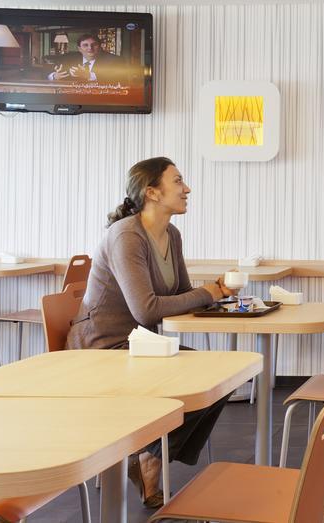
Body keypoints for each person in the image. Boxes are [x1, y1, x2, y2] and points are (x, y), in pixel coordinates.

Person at [66, 157, 235, 507]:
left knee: (221, 377)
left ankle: (149, 453)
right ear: (152, 192)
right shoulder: (126, 235)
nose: (187, 189)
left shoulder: (171, 234)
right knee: (207, 377)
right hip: (103, 348)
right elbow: (146, 309)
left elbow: (181, 295)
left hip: (142, 346)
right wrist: (208, 293)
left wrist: (216, 294)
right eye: (178, 181)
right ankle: (149, 456)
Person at [47, 33, 124, 82]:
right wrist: (54, 76)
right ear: (79, 49)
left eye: (94, 45)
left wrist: (88, 75)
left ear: (100, 47)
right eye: (85, 45)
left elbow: (119, 79)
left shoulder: (114, 60)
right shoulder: (68, 58)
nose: (90, 48)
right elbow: (45, 73)